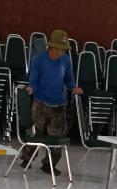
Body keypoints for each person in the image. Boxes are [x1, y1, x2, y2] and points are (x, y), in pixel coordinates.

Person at [21, 29, 82, 174]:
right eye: (58, 49)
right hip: (40, 103)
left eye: (63, 50)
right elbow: (34, 81)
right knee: (36, 134)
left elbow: (69, 79)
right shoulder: (38, 60)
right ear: (51, 46)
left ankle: (49, 164)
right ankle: (27, 158)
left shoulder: (66, 60)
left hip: (59, 104)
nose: (61, 52)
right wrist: (31, 89)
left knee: (57, 137)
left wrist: (73, 87)